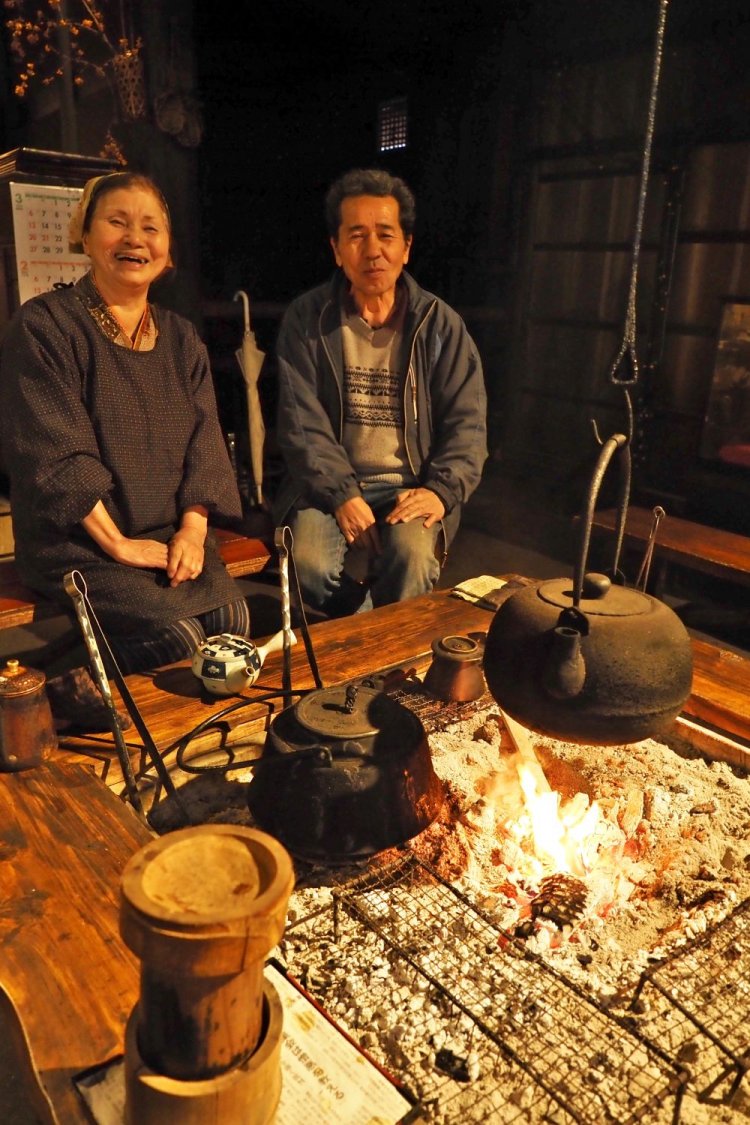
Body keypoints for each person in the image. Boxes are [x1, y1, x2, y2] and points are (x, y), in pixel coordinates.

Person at [0, 172, 251, 729]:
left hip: (165, 534)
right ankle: (38, 705)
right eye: (116, 222)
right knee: (179, 633)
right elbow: (52, 452)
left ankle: (158, 720)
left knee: (233, 615)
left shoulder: (182, 337)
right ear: (84, 236)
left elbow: (205, 439)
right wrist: (118, 543)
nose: (134, 238)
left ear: (167, 252)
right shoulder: (44, 326)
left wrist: (192, 529)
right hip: (77, 539)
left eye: (150, 227)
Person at [274, 167, 487, 618]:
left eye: (386, 235)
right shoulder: (307, 319)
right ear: (336, 250)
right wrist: (341, 494)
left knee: (411, 559)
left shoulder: (440, 325)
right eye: (356, 235)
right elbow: (301, 421)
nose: (373, 250)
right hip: (329, 483)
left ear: (406, 247)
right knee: (307, 567)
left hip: (410, 486)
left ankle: (387, 657)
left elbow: (467, 425)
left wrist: (441, 491)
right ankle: (367, 625)